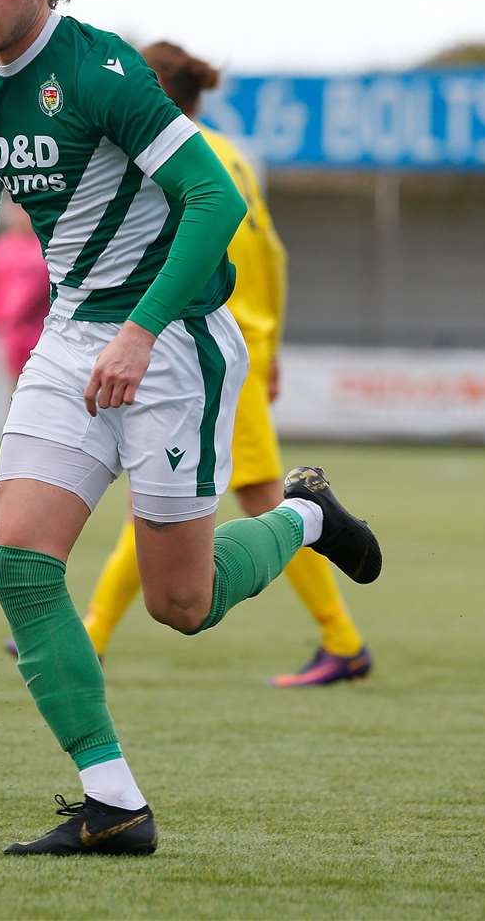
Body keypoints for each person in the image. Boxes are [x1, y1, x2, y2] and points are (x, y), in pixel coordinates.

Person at [0, 0, 382, 857]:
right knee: (18, 562)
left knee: (178, 606)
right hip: (74, 341)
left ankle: (304, 515)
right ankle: (113, 804)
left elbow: (209, 199)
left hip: (176, 345)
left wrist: (142, 329)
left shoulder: (101, 70)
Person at [80, 41, 374, 686]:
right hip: (242, 342)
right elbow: (274, 255)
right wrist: (272, 348)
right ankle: (92, 634)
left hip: (203, 347)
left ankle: (343, 639)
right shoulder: (232, 154)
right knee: (169, 492)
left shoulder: (172, 156)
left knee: (229, 498)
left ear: (151, 88)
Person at [0, 204, 51, 388]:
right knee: (16, 383)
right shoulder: (2, 246)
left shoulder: (46, 247)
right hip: (10, 328)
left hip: (40, 326)